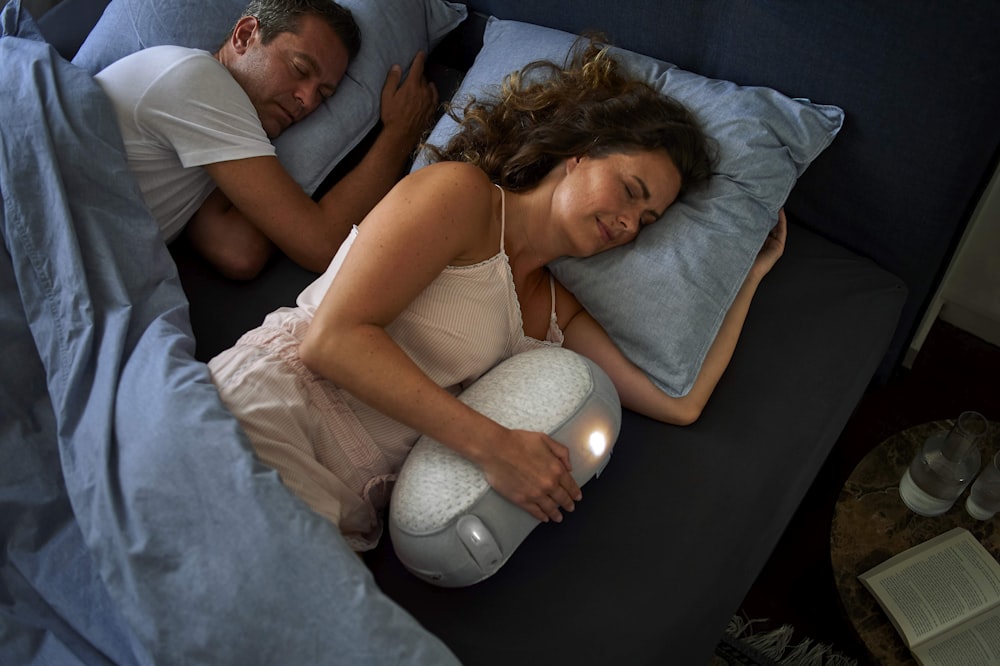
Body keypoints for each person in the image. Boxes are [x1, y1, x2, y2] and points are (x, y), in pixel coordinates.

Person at [207, 41, 786, 550]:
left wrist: (750, 280)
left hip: (349, 499)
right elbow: (332, 342)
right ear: (579, 153)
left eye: (648, 219)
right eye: (630, 191)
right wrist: (495, 448)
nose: (630, 225)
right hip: (273, 415)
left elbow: (677, 404)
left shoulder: (557, 314)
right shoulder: (463, 196)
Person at [94, 0, 438, 279]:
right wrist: (400, 133)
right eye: (300, 70)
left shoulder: (209, 142)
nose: (307, 100)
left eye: (325, 94)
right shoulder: (198, 81)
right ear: (245, 36)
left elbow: (237, 251)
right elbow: (321, 244)